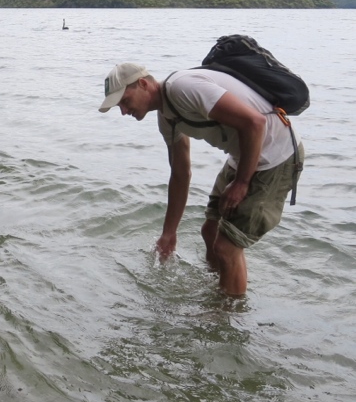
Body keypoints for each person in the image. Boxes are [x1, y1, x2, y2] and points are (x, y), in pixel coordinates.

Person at [98, 62, 304, 296]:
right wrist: (169, 233)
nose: (124, 111)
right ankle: (221, 288)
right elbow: (180, 173)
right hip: (243, 156)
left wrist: (241, 183)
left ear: (143, 84)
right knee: (210, 231)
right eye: (119, 106)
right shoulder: (167, 118)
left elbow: (256, 123)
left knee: (226, 248)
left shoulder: (182, 88)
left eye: (124, 101)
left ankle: (227, 312)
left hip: (275, 156)